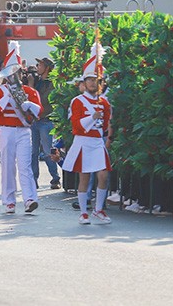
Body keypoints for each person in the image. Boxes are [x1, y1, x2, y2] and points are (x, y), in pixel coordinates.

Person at [63, 43, 113, 225]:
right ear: (84, 83)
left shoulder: (105, 103)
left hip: (97, 142)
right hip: (83, 142)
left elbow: (105, 125)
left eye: (96, 80)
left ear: (101, 83)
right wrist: (92, 117)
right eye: (90, 80)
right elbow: (76, 126)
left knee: (103, 175)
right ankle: (84, 212)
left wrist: (103, 131)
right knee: (84, 177)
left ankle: (98, 209)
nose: (93, 83)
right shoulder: (77, 101)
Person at [0, 41, 42, 214]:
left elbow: (39, 111)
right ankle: (9, 201)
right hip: (6, 130)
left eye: (16, 71)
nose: (13, 75)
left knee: (25, 166)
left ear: (21, 72)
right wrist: (7, 96)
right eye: (10, 72)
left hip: (23, 130)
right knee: (7, 166)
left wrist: (29, 104)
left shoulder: (30, 91)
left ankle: (30, 199)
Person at [30, 57, 61, 190]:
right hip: (34, 121)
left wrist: (31, 87)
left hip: (45, 121)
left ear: (47, 68)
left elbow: (42, 101)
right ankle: (33, 179)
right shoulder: (38, 81)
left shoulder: (51, 83)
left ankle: (55, 178)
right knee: (33, 152)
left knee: (48, 152)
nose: (37, 67)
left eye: (40, 65)